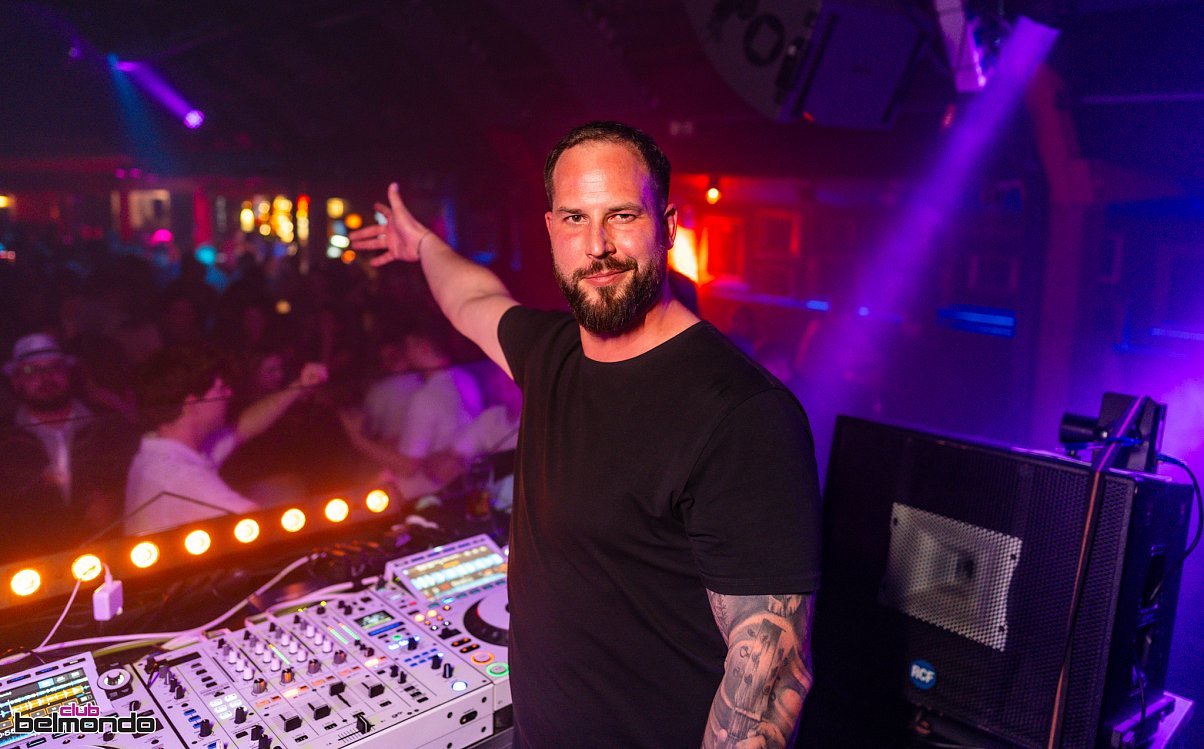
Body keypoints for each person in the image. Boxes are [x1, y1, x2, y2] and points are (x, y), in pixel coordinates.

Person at [352, 121, 821, 748]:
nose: (597, 245)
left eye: (621, 215)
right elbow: (473, 298)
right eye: (575, 219)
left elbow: (767, 681)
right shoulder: (551, 352)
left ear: (668, 227)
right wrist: (423, 245)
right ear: (552, 230)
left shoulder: (743, 413)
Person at [125, 345, 328, 536]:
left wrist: (299, 387)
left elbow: (244, 426)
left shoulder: (161, 450)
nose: (229, 394)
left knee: (284, 487)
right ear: (191, 405)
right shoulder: (181, 480)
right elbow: (266, 530)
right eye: (220, 389)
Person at [0, 333, 139, 559]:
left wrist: (115, 503)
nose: (46, 377)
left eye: (54, 367)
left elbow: (143, 478)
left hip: (114, 554)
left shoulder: (108, 425)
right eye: (31, 371)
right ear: (16, 381)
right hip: (31, 566)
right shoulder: (6, 441)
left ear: (68, 373)